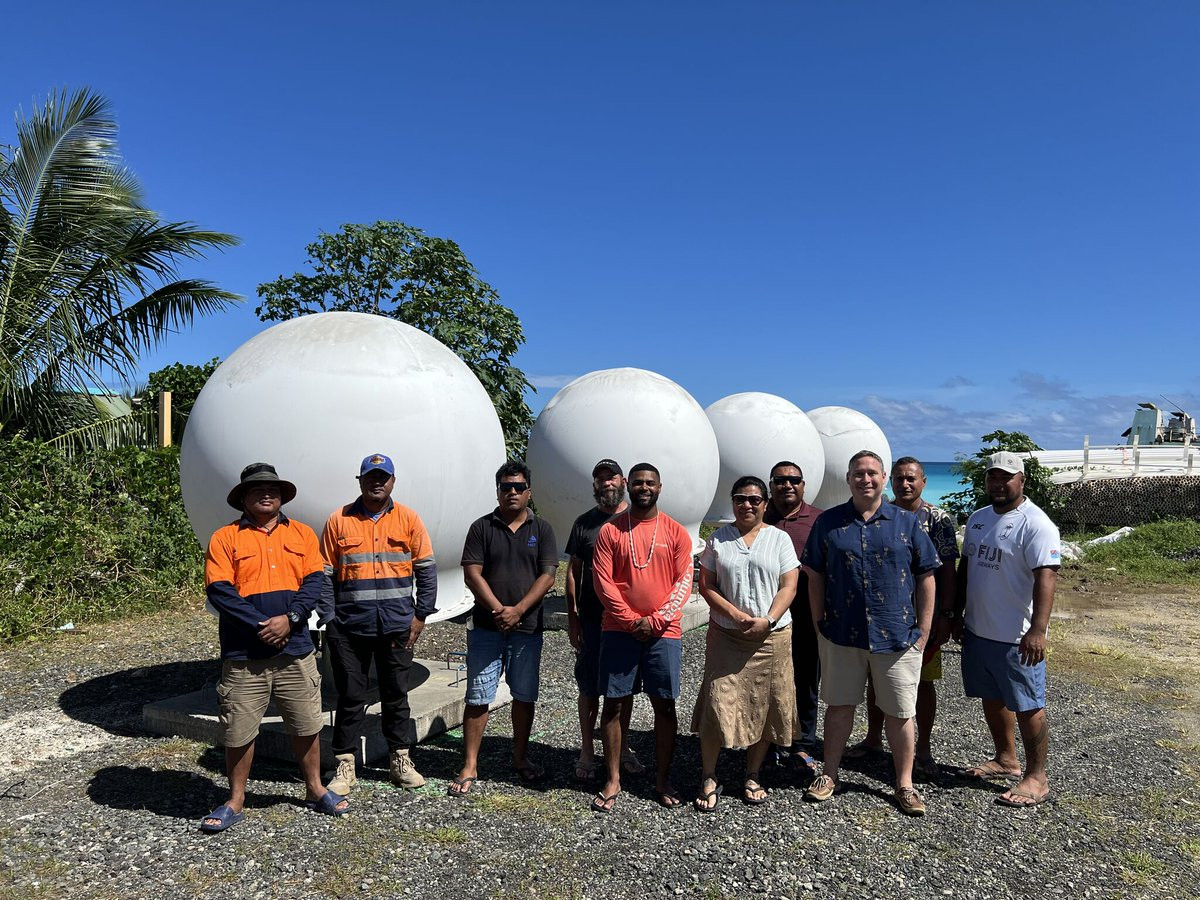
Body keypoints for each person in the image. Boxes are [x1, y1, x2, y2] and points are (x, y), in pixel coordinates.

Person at [200, 462, 349, 832]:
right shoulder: (225, 538)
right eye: (257, 490)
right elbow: (219, 590)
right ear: (243, 499)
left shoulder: (301, 534)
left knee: (306, 723)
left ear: (282, 496)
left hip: (295, 649)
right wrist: (261, 625)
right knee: (239, 729)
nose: (266, 494)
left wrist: (291, 619)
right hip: (244, 654)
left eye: (273, 489)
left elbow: (314, 582)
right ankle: (236, 799)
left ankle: (314, 788)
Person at [801, 450, 940, 816]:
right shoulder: (829, 522)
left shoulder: (907, 523)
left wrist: (924, 629)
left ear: (883, 478)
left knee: (900, 713)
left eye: (872, 473)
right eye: (859, 473)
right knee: (839, 707)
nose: (866, 479)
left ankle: (905, 784)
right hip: (841, 634)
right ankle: (829, 774)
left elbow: (926, 575)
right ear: (849, 479)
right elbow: (814, 574)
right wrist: (818, 622)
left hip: (896, 635)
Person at [320, 453, 437, 795]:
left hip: (396, 626)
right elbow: (323, 574)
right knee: (350, 695)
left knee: (396, 694)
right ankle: (344, 763)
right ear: (360, 481)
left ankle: (400, 760)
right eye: (370, 477)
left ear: (392, 481)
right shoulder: (339, 520)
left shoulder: (408, 519)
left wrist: (420, 615)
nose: (377, 482)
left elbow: (426, 569)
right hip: (349, 628)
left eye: (383, 477)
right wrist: (329, 620)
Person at [956, 451, 1061, 807]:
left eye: (1006, 477)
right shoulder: (978, 519)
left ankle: (1037, 777)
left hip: (1017, 636)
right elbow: (966, 567)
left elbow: (1046, 577)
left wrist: (1038, 630)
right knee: (992, 696)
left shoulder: (1036, 523)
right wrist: (955, 613)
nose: (999, 484)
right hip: (979, 629)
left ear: (1022, 480)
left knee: (1028, 705)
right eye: (993, 477)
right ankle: (1006, 759)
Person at [449, 462, 558, 796]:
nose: (512, 492)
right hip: (487, 627)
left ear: (529, 492)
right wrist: (499, 610)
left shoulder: (543, 529)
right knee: (478, 696)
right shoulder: (482, 528)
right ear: (497, 491)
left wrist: (519, 610)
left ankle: (520, 758)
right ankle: (470, 764)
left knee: (523, 695)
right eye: (506, 487)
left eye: (519, 487)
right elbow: (472, 573)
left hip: (527, 629)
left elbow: (548, 575)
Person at [590, 463, 694, 812]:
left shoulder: (676, 532)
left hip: (665, 632)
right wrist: (632, 620)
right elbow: (603, 583)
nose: (644, 488)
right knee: (614, 703)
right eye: (638, 482)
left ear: (659, 487)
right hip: (619, 630)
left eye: (650, 482)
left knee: (664, 704)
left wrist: (657, 620)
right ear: (628, 486)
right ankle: (613, 777)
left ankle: (662, 779)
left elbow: (684, 581)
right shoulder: (610, 531)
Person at [692, 476, 800, 811]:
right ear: (733, 502)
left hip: (771, 636)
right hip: (728, 635)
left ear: (765, 504)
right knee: (716, 701)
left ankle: (753, 773)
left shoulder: (779, 539)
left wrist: (768, 619)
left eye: (755, 499)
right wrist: (735, 615)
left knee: (766, 704)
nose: (747, 505)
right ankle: (709, 775)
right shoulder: (718, 540)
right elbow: (706, 585)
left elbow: (789, 585)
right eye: (740, 498)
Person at [848, 457, 958, 777]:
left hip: (921, 619)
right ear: (889, 481)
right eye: (899, 479)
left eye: (911, 478)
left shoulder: (936, 519)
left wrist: (945, 615)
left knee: (921, 682)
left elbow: (947, 571)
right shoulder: (881, 513)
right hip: (883, 617)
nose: (905, 484)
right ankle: (873, 738)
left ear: (923, 481)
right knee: (877, 679)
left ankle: (922, 748)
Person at [564, 459, 645, 781]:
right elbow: (573, 572)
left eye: (611, 477)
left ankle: (622, 748)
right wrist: (573, 618)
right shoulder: (584, 523)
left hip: (627, 622)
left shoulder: (637, 519)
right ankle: (587, 750)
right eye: (600, 479)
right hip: (592, 620)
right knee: (588, 686)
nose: (606, 483)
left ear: (622, 481)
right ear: (595, 485)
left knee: (623, 689)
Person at [762, 460, 823, 776]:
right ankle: (767, 741)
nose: (787, 485)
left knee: (806, 680)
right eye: (780, 480)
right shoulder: (758, 515)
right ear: (770, 485)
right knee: (767, 680)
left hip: (807, 616)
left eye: (794, 479)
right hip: (766, 616)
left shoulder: (819, 520)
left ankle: (803, 743)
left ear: (803, 485)